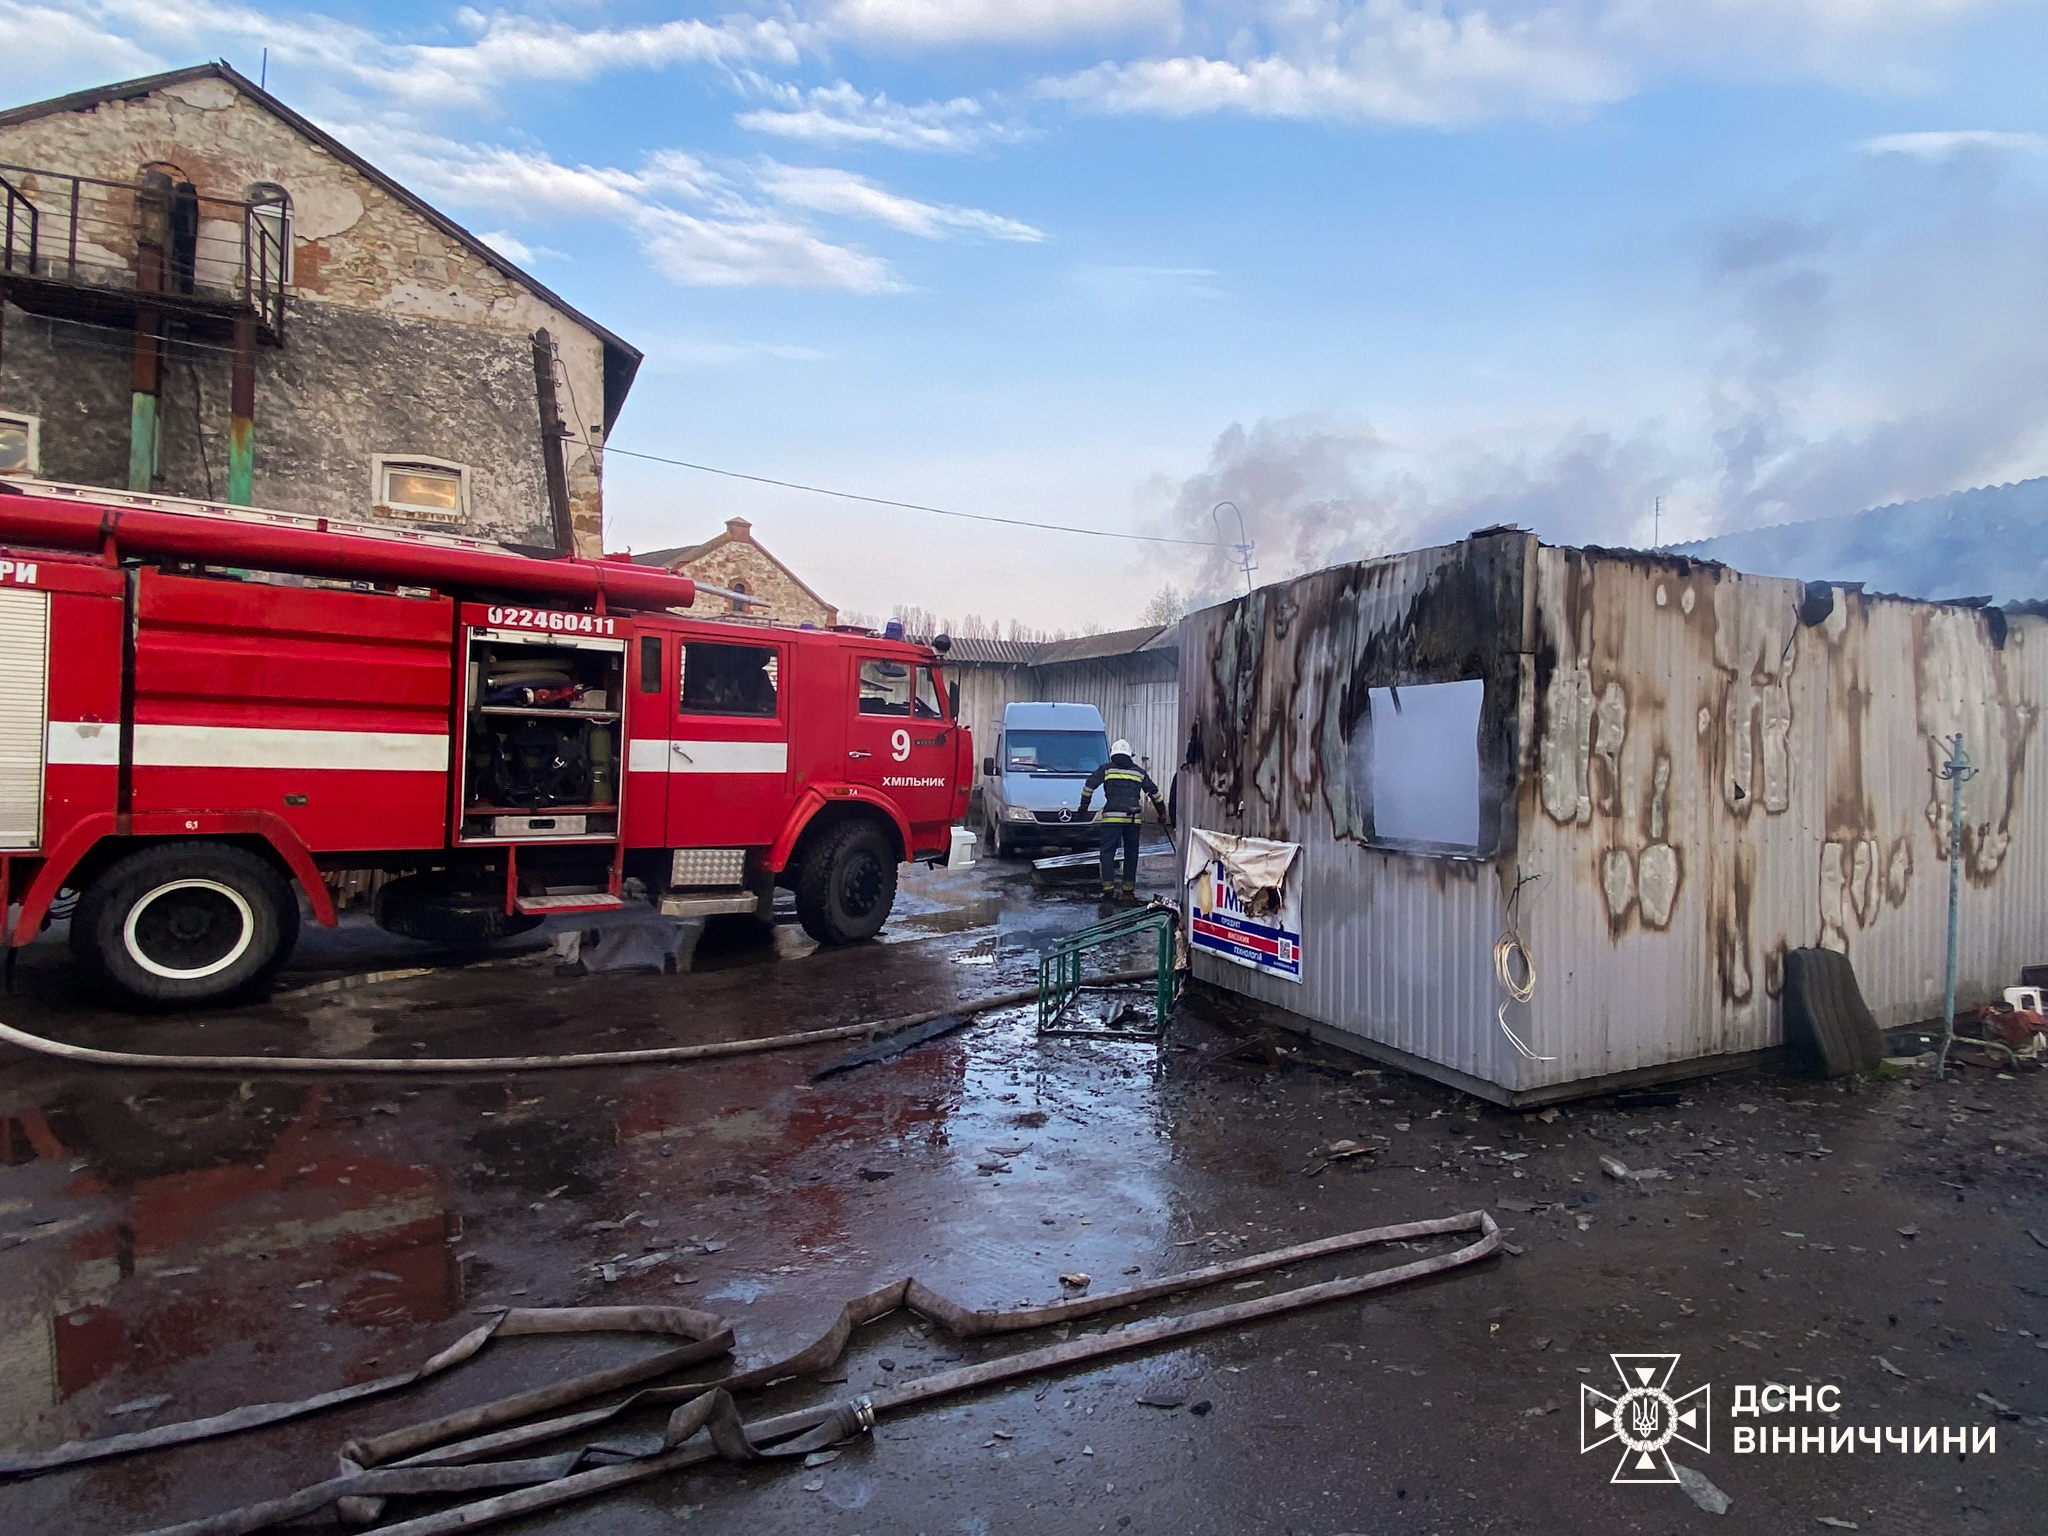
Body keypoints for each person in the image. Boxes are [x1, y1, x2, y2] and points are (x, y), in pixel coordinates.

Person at [1079, 740, 1168, 899]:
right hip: (1133, 820)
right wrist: (1162, 812)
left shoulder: (1106, 769)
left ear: (1113, 754)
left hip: (1111, 819)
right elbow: (1154, 793)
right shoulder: (1139, 772)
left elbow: (1089, 786)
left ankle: (1108, 889)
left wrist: (1083, 808)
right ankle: (1128, 889)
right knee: (1131, 853)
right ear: (1130, 755)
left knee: (1107, 853)